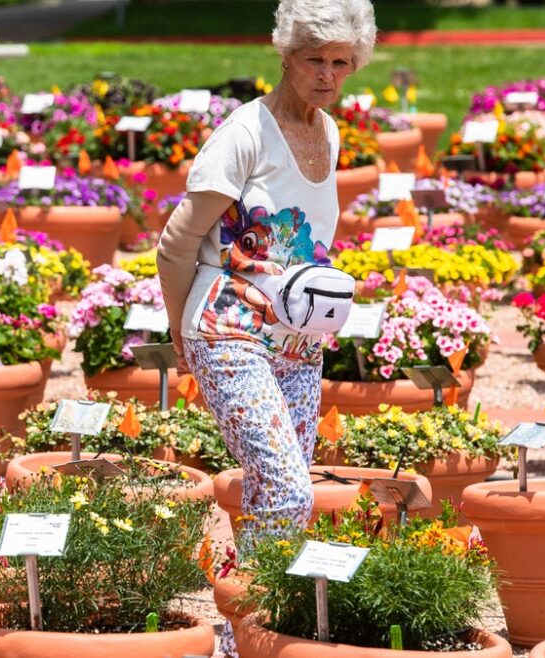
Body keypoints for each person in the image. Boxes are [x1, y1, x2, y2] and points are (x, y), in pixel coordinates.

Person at [157, 0, 377, 554]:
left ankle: (249, 611)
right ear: (286, 56)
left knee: (276, 498)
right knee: (287, 492)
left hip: (300, 340)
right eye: (314, 59)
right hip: (229, 331)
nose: (328, 75)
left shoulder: (330, 131)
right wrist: (180, 333)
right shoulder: (244, 133)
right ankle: (260, 603)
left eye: (341, 62)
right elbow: (176, 243)